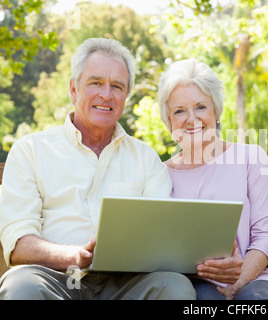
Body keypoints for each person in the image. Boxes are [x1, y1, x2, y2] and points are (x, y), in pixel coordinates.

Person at [0, 38, 196, 300]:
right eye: (95, 83)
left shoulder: (146, 158)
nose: (106, 94)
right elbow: (19, 242)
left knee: (175, 286)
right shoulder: (31, 150)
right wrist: (73, 255)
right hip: (54, 278)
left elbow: (159, 239)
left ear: (125, 96)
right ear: (73, 89)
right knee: (20, 285)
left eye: (117, 86)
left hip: (124, 283)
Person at [158, 59, 268, 300]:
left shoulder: (251, 158)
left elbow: (266, 235)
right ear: (169, 121)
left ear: (216, 111)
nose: (191, 119)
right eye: (179, 111)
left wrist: (236, 282)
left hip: (257, 277)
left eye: (200, 107)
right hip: (195, 282)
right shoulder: (159, 174)